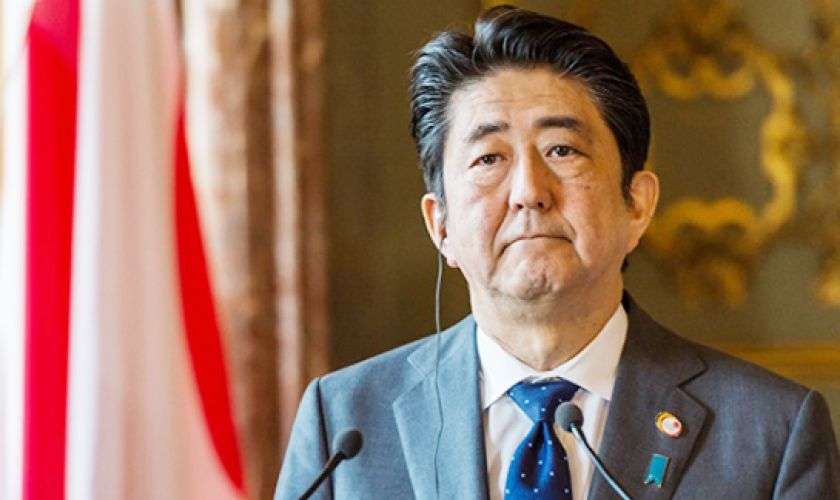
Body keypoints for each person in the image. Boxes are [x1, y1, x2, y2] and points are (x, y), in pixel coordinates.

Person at [275, 6, 839, 499]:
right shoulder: (345, 425)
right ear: (439, 224)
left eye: (562, 150)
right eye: (489, 159)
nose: (528, 192)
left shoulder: (770, 432)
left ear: (637, 204)